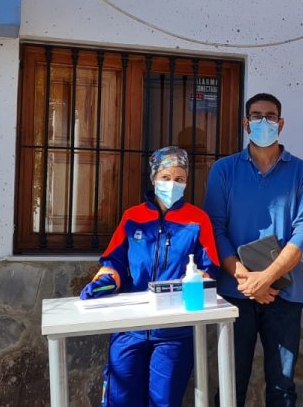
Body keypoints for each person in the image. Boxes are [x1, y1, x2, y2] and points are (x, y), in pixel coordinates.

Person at [79, 146, 220, 407]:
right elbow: (114, 261)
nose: (172, 184)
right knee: (120, 400)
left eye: (179, 178)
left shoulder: (198, 220)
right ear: (154, 178)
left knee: (163, 402)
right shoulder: (132, 217)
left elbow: (209, 267)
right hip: (129, 327)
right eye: (166, 177)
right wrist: (105, 281)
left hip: (174, 331)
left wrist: (199, 279)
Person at [202, 93, 303, 407]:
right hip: (234, 293)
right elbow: (215, 228)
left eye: (270, 116)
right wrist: (245, 278)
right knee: (230, 385)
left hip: (284, 294)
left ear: (281, 124)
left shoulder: (302, 172)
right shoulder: (224, 170)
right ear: (246, 123)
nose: (263, 121)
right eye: (256, 116)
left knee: (282, 388)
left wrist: (265, 278)